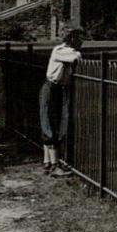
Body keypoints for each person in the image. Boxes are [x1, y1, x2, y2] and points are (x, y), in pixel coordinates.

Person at [40, 28, 85, 175]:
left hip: (59, 89)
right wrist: (77, 51)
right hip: (52, 88)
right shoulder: (60, 50)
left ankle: (48, 162)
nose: (81, 41)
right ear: (71, 39)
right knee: (50, 123)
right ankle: (54, 165)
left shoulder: (67, 51)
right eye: (79, 38)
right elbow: (76, 57)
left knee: (56, 122)